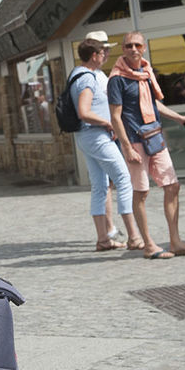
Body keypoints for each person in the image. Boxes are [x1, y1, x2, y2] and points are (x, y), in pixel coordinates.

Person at [108, 31, 185, 260]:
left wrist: (180, 118)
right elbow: (115, 116)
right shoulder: (117, 78)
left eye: (137, 45)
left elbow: (155, 105)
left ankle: (175, 241)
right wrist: (127, 147)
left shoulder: (146, 72)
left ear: (143, 48)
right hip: (134, 141)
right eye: (129, 45)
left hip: (155, 137)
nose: (133, 49)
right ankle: (149, 245)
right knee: (141, 192)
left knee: (172, 186)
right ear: (123, 49)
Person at [72, 32, 139, 252]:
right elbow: (84, 111)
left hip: (87, 137)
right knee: (124, 178)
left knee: (100, 186)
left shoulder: (77, 74)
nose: (105, 55)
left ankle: (103, 239)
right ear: (94, 55)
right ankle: (134, 236)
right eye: (103, 52)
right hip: (95, 135)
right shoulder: (87, 77)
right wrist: (108, 123)